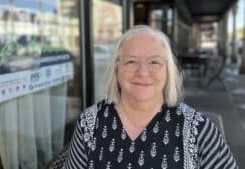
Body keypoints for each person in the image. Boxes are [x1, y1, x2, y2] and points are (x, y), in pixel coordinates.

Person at [63, 25, 238, 169]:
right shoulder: (90, 123)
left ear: (168, 71)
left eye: (155, 62)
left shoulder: (198, 129)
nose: (143, 72)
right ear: (116, 68)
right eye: (131, 61)